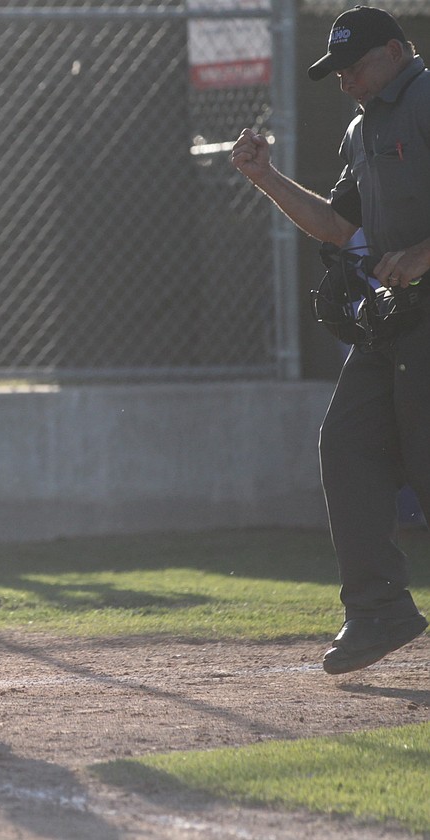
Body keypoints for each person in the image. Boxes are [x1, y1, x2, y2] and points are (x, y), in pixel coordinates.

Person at [230, 5, 429, 675]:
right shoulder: (359, 129)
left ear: (398, 53)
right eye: (338, 71)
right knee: (346, 442)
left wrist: (423, 253)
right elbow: (341, 226)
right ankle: (379, 611)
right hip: (397, 321)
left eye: (358, 65)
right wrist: (264, 176)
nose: (346, 80)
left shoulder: (428, 99)